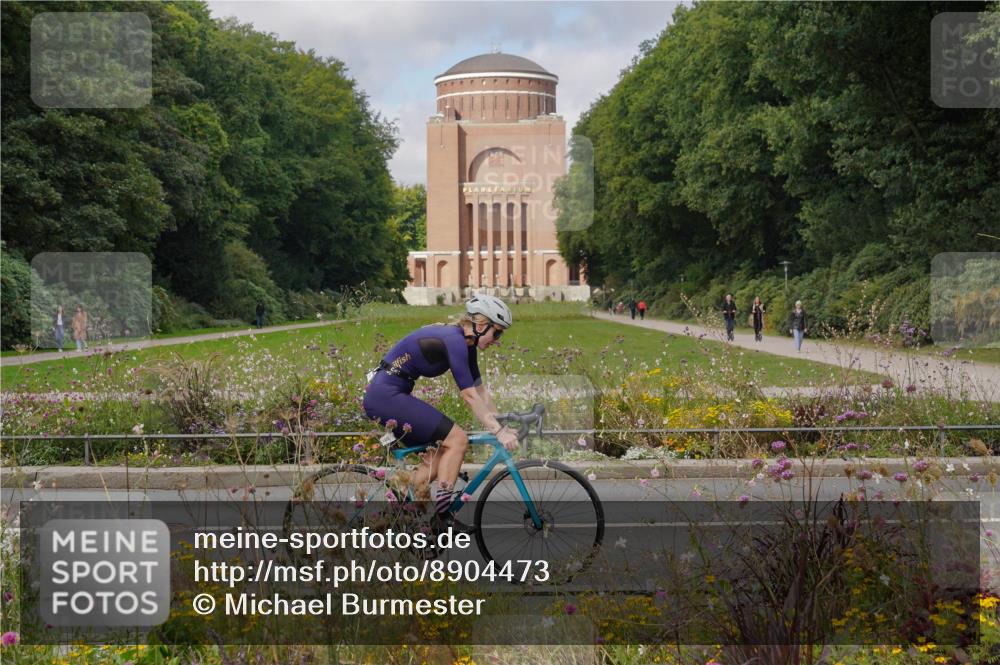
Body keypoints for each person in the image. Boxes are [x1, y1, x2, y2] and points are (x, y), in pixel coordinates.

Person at [362, 295, 517, 529]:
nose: (497, 341)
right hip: (386, 397)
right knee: (457, 440)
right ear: (481, 324)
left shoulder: (466, 345)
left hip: (391, 394)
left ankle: (401, 508)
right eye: (497, 333)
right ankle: (442, 518)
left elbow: (481, 392)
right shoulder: (453, 340)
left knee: (439, 451)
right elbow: (469, 395)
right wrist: (498, 431)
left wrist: (502, 425)